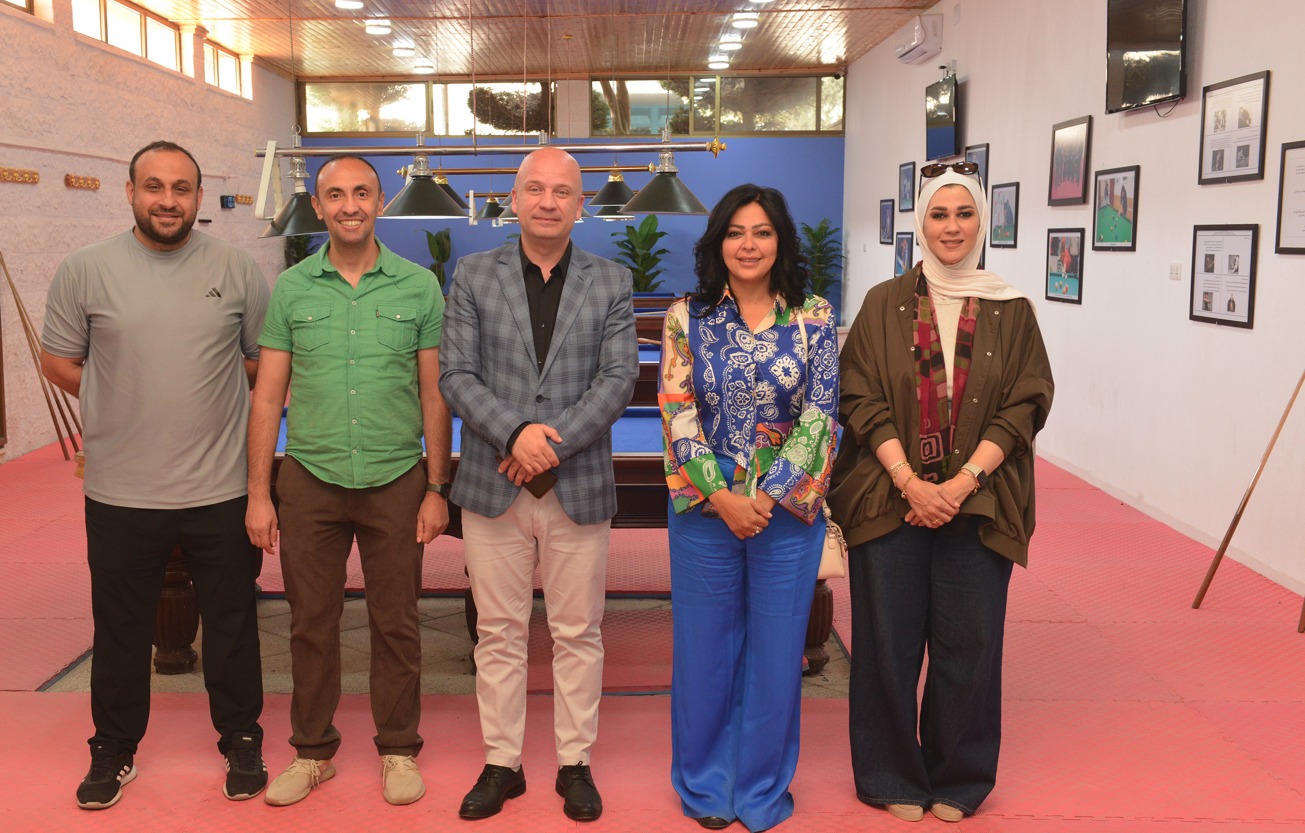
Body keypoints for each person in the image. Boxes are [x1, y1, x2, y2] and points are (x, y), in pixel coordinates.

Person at [40, 140, 269, 809]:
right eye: (154, 187)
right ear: (130, 191)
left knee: (232, 623)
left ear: (197, 197)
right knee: (119, 628)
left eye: (181, 188)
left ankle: (241, 737)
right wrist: (117, 397)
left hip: (220, 488)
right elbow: (59, 361)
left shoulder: (237, 269)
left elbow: (260, 363)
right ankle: (113, 748)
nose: (168, 200)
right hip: (121, 490)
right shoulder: (84, 269)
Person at [829, 163, 1053, 823]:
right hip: (888, 495)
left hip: (979, 499)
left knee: (970, 645)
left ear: (981, 222)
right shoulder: (882, 303)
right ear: (920, 223)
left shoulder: (1011, 309)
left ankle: (958, 775)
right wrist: (908, 480)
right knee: (886, 644)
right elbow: (858, 397)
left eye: (963, 213)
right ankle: (889, 773)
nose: (951, 227)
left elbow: (1025, 403)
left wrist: (960, 483)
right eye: (938, 214)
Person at [245, 154, 452, 807]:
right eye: (335, 195)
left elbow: (434, 396)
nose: (349, 205)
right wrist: (259, 492)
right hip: (310, 476)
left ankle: (398, 747)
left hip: (396, 476)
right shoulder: (292, 289)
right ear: (318, 205)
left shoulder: (419, 287)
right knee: (310, 622)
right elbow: (266, 396)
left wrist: (436, 488)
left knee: (398, 622)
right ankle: (312, 753)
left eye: (361, 192)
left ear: (380, 201)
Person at [439, 146, 637, 822]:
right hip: (493, 484)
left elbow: (618, 379)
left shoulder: (611, 280)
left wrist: (547, 444)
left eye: (561, 191)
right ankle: (503, 763)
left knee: (578, 632)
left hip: (576, 484)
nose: (548, 201)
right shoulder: (473, 274)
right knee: (497, 633)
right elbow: (456, 374)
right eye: (535, 189)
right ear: (514, 199)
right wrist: (515, 433)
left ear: (581, 205)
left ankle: (574, 762)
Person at [659, 184, 839, 832]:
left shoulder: (814, 315)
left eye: (762, 231)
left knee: (775, 652)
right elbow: (676, 412)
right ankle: (705, 784)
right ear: (718, 243)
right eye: (735, 232)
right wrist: (723, 496)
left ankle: (762, 787)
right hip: (705, 508)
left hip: (785, 514)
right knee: (703, 651)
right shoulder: (686, 316)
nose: (748, 244)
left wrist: (766, 494)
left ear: (780, 241)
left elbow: (822, 413)